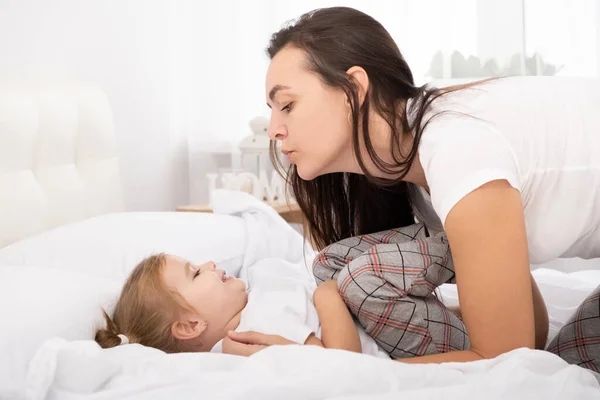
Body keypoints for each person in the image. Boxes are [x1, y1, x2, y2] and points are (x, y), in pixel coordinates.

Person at [222, 6, 600, 374]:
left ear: (353, 89)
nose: (273, 130)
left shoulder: (457, 148)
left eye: (287, 105)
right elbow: (526, 329)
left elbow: (510, 356)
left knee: (564, 371)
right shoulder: (420, 178)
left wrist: (330, 366)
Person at [95, 253, 379, 355]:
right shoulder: (249, 332)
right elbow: (340, 361)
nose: (210, 264)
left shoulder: (249, 311)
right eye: (195, 273)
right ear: (190, 325)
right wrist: (327, 295)